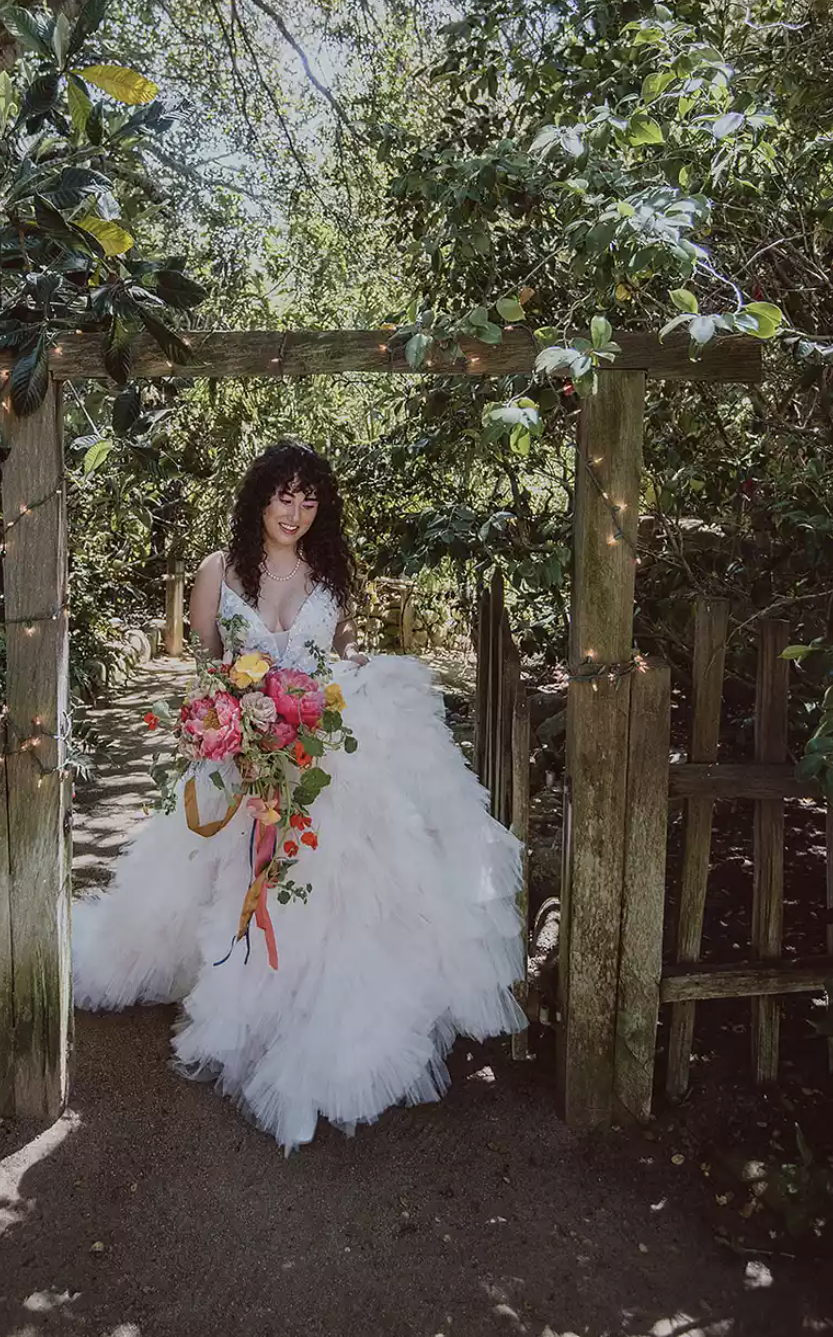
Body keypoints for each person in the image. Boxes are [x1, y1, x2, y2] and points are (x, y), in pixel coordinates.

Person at [71, 441, 527, 1152]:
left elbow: (338, 660)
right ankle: (238, 1000)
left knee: (333, 890)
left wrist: (347, 674)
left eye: (309, 498)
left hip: (317, 754)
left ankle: (314, 1018)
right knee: (225, 885)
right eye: (284, 495)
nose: (296, 511)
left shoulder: (332, 574)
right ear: (259, 498)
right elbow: (209, 662)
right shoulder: (217, 572)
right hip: (242, 752)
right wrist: (229, 720)